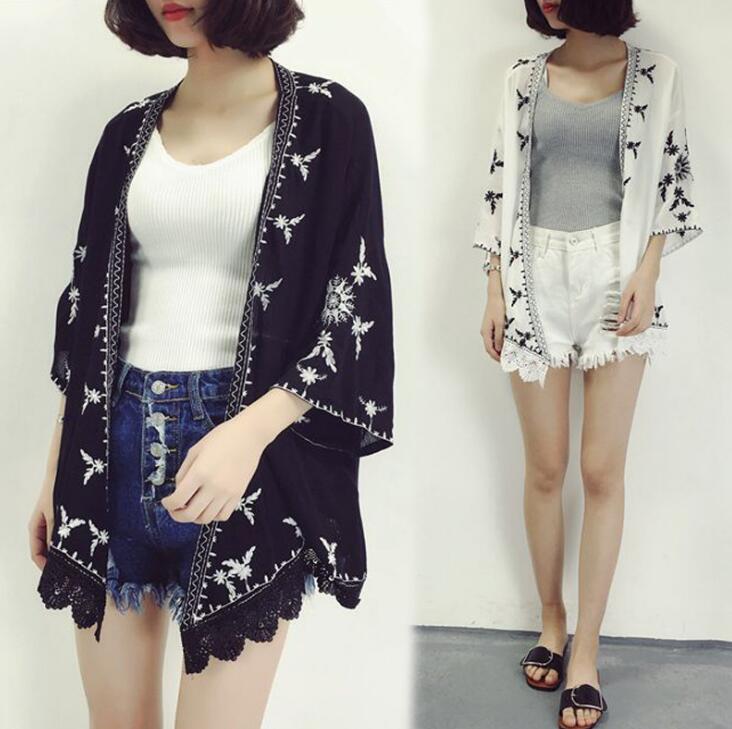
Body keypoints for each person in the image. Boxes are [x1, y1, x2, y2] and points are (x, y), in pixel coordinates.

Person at [29, 1, 394, 727]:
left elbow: (356, 301)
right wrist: (53, 472)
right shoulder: (126, 132)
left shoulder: (329, 120)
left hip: (247, 460)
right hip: (108, 452)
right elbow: (86, 312)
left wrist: (248, 433)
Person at [473, 1, 702, 727]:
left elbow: (672, 180)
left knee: (602, 470)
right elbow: (500, 182)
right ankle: (551, 620)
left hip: (616, 273)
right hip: (531, 275)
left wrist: (649, 273)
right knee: (545, 467)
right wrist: (494, 286)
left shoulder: (657, 74)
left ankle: (586, 654)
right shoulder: (520, 78)